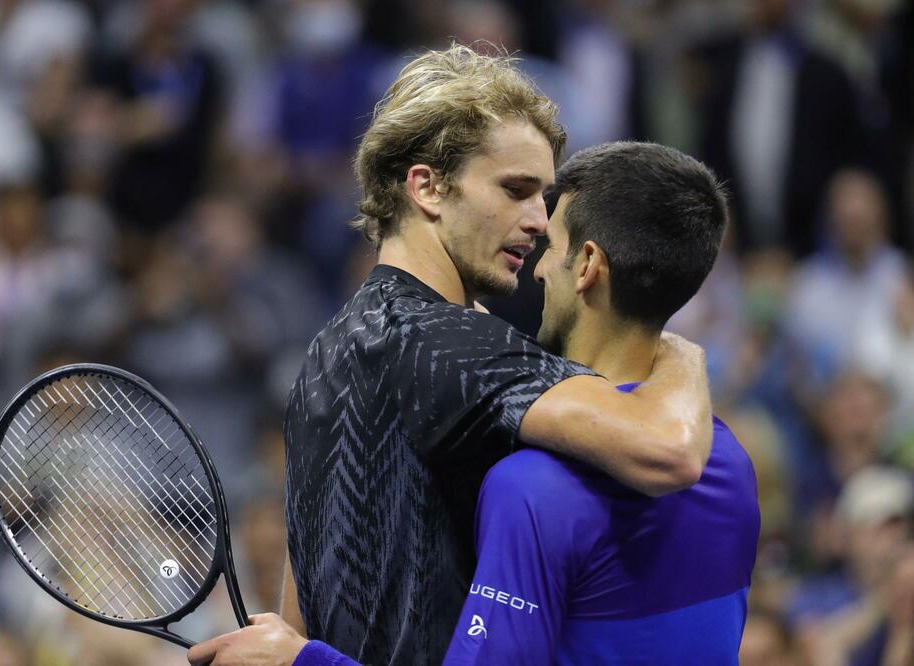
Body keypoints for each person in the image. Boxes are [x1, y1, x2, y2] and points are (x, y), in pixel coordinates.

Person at [189, 45, 713, 666]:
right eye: (516, 190)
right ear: (428, 187)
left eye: (544, 197)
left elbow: (304, 608)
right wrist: (680, 352)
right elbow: (669, 451)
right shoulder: (448, 345)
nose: (540, 221)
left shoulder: (327, 350)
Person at [443, 142, 760, 664]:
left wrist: (305, 659)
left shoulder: (532, 487)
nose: (540, 270)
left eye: (551, 245)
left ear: (588, 263)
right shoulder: (731, 462)